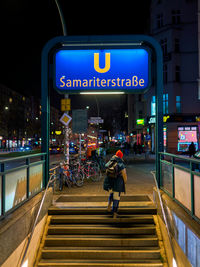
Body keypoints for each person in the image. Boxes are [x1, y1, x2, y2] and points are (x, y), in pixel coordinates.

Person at [103, 150, 127, 218]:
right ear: (121, 156)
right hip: (117, 183)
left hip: (110, 183)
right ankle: (115, 213)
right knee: (116, 197)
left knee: (111, 194)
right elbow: (124, 174)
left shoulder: (110, 162)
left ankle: (108, 207)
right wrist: (125, 181)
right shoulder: (120, 164)